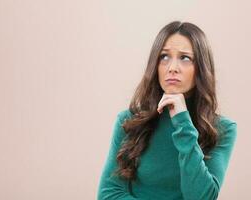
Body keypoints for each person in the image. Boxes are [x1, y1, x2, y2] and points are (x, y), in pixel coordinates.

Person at [97, 21, 237, 200]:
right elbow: (108, 194)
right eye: (164, 57)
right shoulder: (129, 121)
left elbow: (202, 198)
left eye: (185, 58)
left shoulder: (222, 129)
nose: (172, 68)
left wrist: (182, 121)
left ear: (201, 68)